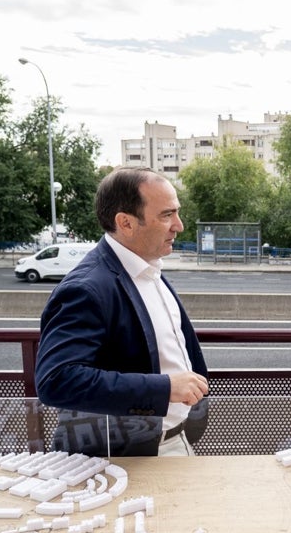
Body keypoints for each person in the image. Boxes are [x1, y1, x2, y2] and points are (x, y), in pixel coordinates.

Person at [35, 167, 209, 457]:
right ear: (125, 223)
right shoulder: (88, 287)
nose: (179, 225)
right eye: (167, 215)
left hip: (170, 441)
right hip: (121, 456)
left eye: (176, 212)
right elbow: (57, 380)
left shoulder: (147, 268)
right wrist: (164, 389)